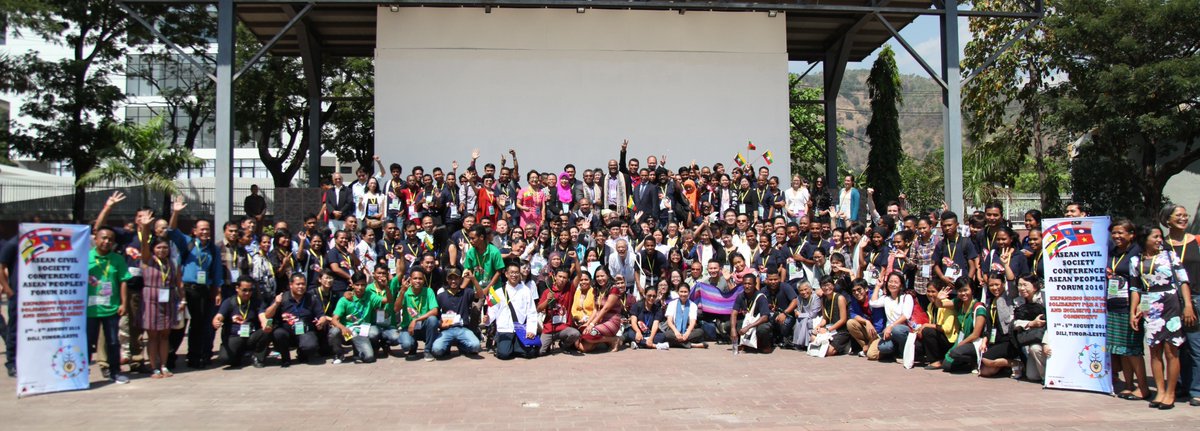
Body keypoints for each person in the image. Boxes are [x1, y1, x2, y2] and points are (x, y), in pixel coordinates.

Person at [1130, 225, 1190, 409]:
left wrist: (1188, 305)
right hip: (1150, 305)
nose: (1159, 240)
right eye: (1155, 237)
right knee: (1155, 350)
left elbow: (1183, 280)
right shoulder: (1135, 261)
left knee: (1171, 350)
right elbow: (1135, 288)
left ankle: (1171, 393)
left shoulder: (1170, 257)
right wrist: (1134, 311)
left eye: (1160, 237)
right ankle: (1160, 391)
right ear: (1144, 239)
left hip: (1171, 303)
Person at [1160, 204, 1200, 407]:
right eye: (1179, 215)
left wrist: (1190, 303)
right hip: (1168, 301)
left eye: (1186, 215)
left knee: (1195, 345)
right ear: (1167, 220)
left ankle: (1196, 390)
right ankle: (1181, 385)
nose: (1184, 218)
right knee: (1176, 346)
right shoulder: (1160, 244)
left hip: (1194, 299)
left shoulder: (1197, 241)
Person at [1106, 219, 1149, 400]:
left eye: (1121, 233)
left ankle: (1143, 387)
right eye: (1114, 233)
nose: (1116, 236)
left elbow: (1144, 281)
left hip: (1132, 306)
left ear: (1131, 234)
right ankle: (1129, 385)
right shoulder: (1113, 252)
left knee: (1133, 348)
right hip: (1114, 304)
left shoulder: (1138, 252)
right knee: (1121, 349)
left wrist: (1141, 306)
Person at [89, 227, 132, 384]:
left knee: (113, 342)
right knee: (87, 343)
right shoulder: (86, 257)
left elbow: (123, 281)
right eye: (104, 238)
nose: (106, 242)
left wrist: (123, 303)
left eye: (110, 239)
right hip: (90, 310)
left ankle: (115, 372)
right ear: (96, 239)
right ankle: (81, 374)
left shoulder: (117, 259)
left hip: (111, 308)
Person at [139, 237, 183, 378]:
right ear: (153, 249)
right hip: (150, 299)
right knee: (152, 336)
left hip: (168, 300)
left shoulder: (172, 263)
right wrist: (145, 227)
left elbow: (179, 283)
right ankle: (154, 367)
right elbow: (144, 245)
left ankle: (164, 365)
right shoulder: (148, 261)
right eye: (158, 247)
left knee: (165, 335)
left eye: (165, 247)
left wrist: (183, 300)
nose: (162, 250)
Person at [212, 276, 272, 368]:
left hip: (251, 335)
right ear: (237, 288)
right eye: (244, 290)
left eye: (250, 290)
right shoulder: (229, 302)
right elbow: (219, 316)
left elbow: (262, 316)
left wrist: (265, 324)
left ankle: (258, 358)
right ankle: (239, 356)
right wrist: (216, 321)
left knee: (265, 332)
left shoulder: (257, 302)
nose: (247, 293)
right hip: (234, 336)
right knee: (225, 359)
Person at [485, 262, 540, 360]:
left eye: (516, 273)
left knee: (531, 353)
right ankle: (504, 345)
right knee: (504, 355)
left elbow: (531, 312)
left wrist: (531, 330)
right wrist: (487, 318)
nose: (514, 275)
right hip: (505, 329)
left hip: (520, 329)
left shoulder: (526, 290)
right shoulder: (497, 291)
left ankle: (514, 346)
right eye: (511, 272)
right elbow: (492, 310)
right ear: (506, 274)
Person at [330, 272, 388, 364]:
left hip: (362, 331)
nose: (360, 288)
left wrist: (386, 287)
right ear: (352, 285)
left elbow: (387, 300)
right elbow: (334, 319)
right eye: (357, 285)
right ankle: (339, 354)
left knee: (369, 357)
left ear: (366, 285)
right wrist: (343, 328)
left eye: (363, 285)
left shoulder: (369, 295)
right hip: (348, 332)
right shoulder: (344, 299)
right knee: (334, 332)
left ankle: (359, 352)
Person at [273, 274, 327, 366]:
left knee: (311, 346)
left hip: (305, 331)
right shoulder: (282, 298)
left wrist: (321, 321)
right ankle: (285, 358)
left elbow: (321, 315)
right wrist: (276, 304)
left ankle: (302, 353)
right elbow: (267, 314)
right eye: (298, 284)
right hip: (287, 332)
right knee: (278, 334)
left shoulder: (311, 298)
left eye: (303, 284)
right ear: (291, 285)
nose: (301, 287)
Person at [433, 269, 484, 358]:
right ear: (447, 279)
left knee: (475, 346)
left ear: (460, 279)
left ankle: (462, 345)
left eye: (456, 278)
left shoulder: (466, 292)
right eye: (451, 278)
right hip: (447, 330)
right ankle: (448, 346)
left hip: (463, 329)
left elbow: (481, 295)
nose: (453, 281)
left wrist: (473, 279)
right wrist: (440, 324)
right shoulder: (441, 296)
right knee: (437, 350)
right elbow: (436, 314)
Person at [941, 279, 988, 374]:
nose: (963, 293)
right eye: (960, 291)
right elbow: (940, 304)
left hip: (975, 342)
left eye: (965, 290)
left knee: (955, 353)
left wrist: (959, 345)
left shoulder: (979, 308)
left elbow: (976, 335)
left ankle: (974, 361)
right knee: (946, 365)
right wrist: (939, 298)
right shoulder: (959, 303)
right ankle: (966, 363)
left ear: (972, 290)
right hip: (963, 339)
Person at [577, 269, 625, 353]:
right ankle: (605, 341)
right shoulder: (596, 289)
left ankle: (614, 340)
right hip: (600, 321)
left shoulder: (614, 289)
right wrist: (587, 323)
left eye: (602, 276)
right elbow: (596, 309)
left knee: (588, 334)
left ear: (608, 275)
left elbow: (605, 309)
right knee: (584, 347)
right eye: (597, 276)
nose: (600, 278)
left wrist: (592, 324)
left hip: (612, 321)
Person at [869, 272, 913, 361]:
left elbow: (906, 315)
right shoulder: (886, 298)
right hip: (889, 332)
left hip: (903, 329)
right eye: (890, 281)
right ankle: (894, 350)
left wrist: (890, 326)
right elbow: (873, 303)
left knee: (897, 330)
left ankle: (902, 354)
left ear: (901, 285)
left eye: (896, 282)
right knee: (881, 349)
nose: (892, 284)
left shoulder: (907, 297)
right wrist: (878, 287)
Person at [397, 267, 439, 361]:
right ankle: (413, 347)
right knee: (406, 345)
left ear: (424, 280)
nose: (417, 281)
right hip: (408, 328)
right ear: (410, 280)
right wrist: (402, 292)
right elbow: (396, 308)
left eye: (420, 279)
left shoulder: (428, 291)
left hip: (423, 327)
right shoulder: (405, 292)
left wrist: (416, 320)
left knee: (433, 320)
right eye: (415, 278)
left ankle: (427, 350)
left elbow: (435, 311)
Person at [537, 267, 582, 355]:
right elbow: (538, 309)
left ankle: (564, 345)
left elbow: (579, 275)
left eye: (564, 278)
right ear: (555, 277)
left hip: (564, 327)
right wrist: (547, 299)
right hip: (550, 328)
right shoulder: (548, 291)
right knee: (540, 352)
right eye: (560, 276)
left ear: (567, 279)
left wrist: (576, 258)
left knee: (575, 334)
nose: (562, 279)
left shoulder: (570, 289)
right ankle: (546, 341)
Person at [916, 285, 958, 370]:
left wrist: (926, 326)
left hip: (949, 340)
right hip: (938, 338)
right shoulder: (930, 306)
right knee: (916, 344)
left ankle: (936, 361)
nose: (930, 294)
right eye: (928, 291)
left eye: (933, 291)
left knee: (927, 331)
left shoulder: (946, 304)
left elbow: (947, 328)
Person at [731, 273, 772, 354]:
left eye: (749, 284)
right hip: (748, 321)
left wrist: (748, 327)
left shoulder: (761, 297)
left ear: (755, 284)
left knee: (763, 329)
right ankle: (745, 344)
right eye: (745, 284)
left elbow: (765, 317)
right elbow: (734, 313)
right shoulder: (740, 296)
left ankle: (765, 345)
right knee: (730, 325)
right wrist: (733, 329)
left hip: (759, 323)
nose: (747, 286)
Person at [662, 283, 706, 349]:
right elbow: (669, 321)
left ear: (689, 293)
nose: (683, 294)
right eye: (681, 292)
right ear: (678, 292)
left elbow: (692, 322)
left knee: (700, 332)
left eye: (685, 292)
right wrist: (676, 332)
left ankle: (676, 343)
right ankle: (692, 345)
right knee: (667, 335)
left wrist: (687, 333)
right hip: (674, 331)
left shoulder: (693, 305)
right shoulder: (672, 304)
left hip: (687, 331)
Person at [626, 285, 666, 349]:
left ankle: (639, 344)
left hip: (650, 332)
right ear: (645, 295)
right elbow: (633, 322)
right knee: (630, 334)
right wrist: (638, 332)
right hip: (638, 331)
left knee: (662, 336)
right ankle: (655, 346)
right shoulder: (637, 305)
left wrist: (651, 338)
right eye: (649, 295)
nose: (651, 298)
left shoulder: (658, 309)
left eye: (654, 296)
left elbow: (655, 324)